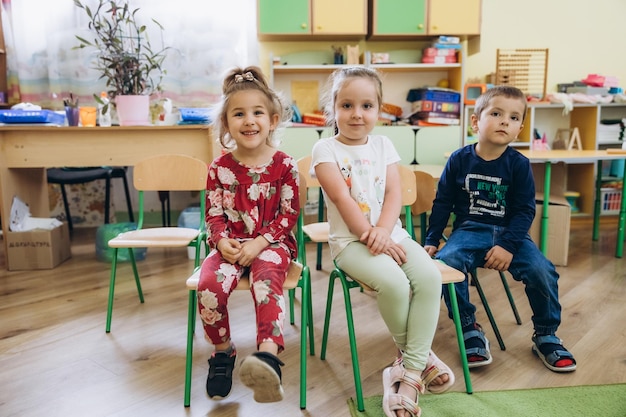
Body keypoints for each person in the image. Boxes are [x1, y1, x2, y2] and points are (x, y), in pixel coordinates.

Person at [311, 66, 455, 417]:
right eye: (347, 105)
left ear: (378, 109)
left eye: (366, 105)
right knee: (394, 283)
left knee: (428, 278)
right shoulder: (323, 149)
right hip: (351, 242)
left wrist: (385, 232)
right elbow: (343, 200)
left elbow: (392, 194)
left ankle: (408, 367)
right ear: (334, 108)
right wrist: (370, 235)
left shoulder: (384, 144)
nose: (357, 114)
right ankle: (413, 374)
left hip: (392, 233)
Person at [424, 85, 577, 373]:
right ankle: (469, 328)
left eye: (514, 117)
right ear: (475, 121)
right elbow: (442, 202)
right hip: (469, 231)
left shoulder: (518, 165)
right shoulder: (458, 160)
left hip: (511, 235)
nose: (505, 121)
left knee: (542, 270)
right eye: (496, 113)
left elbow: (524, 211)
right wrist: (432, 239)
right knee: (446, 264)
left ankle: (546, 334)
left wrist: (508, 245)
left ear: (519, 128)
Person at [196, 66, 299, 403]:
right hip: (231, 245)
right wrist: (221, 240)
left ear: (272, 119)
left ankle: (268, 357)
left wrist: (260, 242)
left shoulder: (285, 165)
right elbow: (213, 214)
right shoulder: (219, 168)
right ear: (226, 124)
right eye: (239, 114)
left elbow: (289, 214)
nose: (249, 121)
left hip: (272, 243)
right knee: (208, 285)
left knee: (266, 279)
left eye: (257, 113)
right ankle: (223, 353)